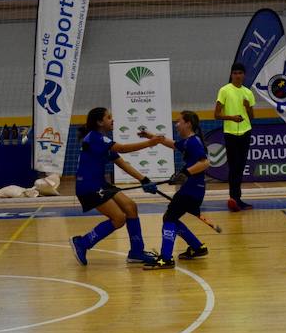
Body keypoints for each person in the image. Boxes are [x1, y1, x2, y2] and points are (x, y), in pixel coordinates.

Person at [69, 107, 163, 267]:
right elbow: (123, 149)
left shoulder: (102, 141)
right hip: (89, 187)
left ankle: (136, 252)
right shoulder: (94, 138)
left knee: (131, 207)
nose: (112, 120)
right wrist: (149, 143)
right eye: (108, 117)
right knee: (119, 219)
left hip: (100, 184)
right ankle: (82, 243)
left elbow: (122, 163)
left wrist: (144, 179)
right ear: (99, 122)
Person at [138, 111, 211, 270]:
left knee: (169, 219)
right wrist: (150, 136)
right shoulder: (187, 142)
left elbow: (205, 163)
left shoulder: (194, 142)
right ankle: (197, 247)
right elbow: (170, 143)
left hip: (191, 190)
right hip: (192, 190)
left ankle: (166, 258)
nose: (176, 125)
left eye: (179, 122)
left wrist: (185, 173)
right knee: (170, 217)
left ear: (188, 124)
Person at [215, 62, 256, 211]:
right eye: (235, 73)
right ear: (231, 75)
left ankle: (237, 198)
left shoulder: (248, 92)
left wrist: (247, 106)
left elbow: (252, 116)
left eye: (240, 73)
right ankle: (233, 198)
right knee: (233, 167)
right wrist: (232, 118)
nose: (238, 76)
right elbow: (216, 114)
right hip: (231, 133)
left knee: (240, 166)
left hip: (245, 132)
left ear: (244, 75)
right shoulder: (224, 90)